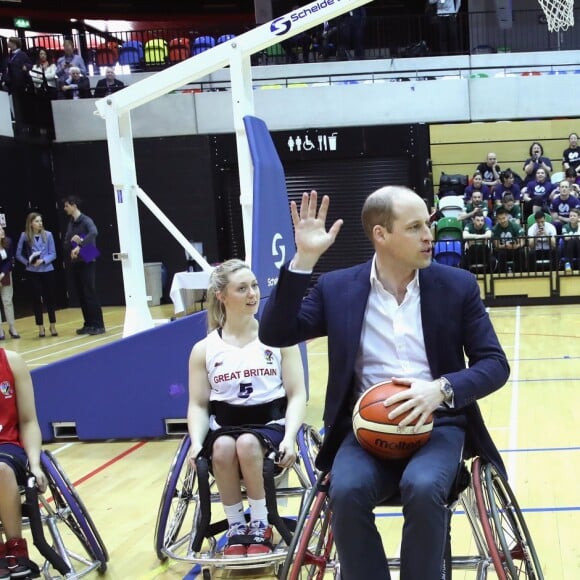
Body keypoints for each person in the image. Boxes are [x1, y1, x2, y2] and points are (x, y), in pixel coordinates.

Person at [259, 187, 509, 579]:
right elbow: (274, 332)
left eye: (427, 223)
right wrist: (304, 259)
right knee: (346, 492)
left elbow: (495, 364)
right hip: (363, 430)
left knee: (425, 488)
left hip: (436, 423)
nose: (429, 234)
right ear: (381, 234)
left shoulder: (457, 285)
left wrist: (441, 389)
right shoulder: (337, 288)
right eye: (414, 227)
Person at [186, 259, 306, 557]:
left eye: (254, 286)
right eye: (242, 288)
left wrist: (290, 438)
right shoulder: (204, 349)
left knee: (248, 443)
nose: (253, 293)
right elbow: (198, 404)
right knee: (224, 447)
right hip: (225, 426)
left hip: (271, 425)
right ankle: (238, 526)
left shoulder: (278, 338)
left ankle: (262, 523)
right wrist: (196, 443)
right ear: (221, 296)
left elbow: (297, 394)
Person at [0, 348, 47, 579]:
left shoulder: (12, 362)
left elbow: (28, 421)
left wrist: (35, 464)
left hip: (7, 447)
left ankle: (16, 551)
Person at [63, 196, 105, 336]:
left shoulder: (86, 220)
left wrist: (80, 244)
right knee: (81, 294)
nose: (65, 209)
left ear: (73, 205)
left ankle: (98, 325)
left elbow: (94, 232)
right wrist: (71, 247)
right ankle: (88, 323)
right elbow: (68, 240)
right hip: (76, 260)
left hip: (88, 256)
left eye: (66, 206)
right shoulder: (71, 223)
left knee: (89, 292)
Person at [15, 213, 58, 338]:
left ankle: (53, 324)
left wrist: (43, 260)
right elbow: (18, 254)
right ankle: (40, 326)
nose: (40, 223)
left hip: (47, 269)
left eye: (41, 220)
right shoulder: (24, 235)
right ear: (31, 223)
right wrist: (28, 262)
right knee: (36, 299)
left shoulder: (48, 235)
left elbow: (53, 253)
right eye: (37, 221)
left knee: (50, 298)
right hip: (33, 271)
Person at [2, 37, 33, 134]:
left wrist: (26, 67)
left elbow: (29, 65)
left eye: (9, 42)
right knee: (14, 105)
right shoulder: (9, 56)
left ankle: (25, 125)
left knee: (22, 105)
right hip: (11, 84)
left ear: (14, 43)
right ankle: (19, 125)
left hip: (21, 83)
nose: (8, 44)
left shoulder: (22, 55)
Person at [0, 226, 20, 340]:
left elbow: (9, 260)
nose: (2, 231)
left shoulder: (8, 241)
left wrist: (2, 274)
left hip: (6, 274)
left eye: (2, 229)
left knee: (7, 301)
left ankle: (12, 327)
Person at [491, 206, 525, 273]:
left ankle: (520, 273)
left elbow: (522, 242)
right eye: (500, 219)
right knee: (501, 254)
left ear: (507, 217)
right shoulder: (495, 229)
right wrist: (505, 246)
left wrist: (516, 246)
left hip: (514, 249)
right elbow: (497, 245)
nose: (502, 221)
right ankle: (502, 274)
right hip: (503, 249)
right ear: (497, 219)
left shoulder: (515, 226)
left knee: (521, 252)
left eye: (504, 218)